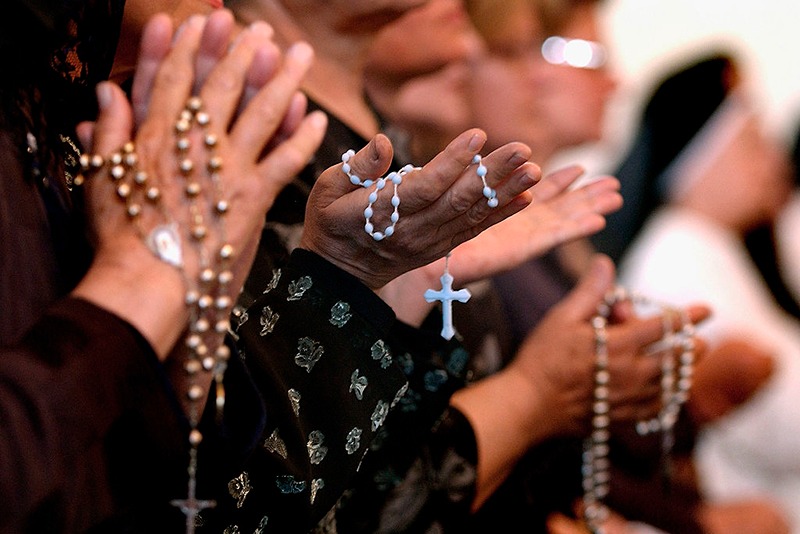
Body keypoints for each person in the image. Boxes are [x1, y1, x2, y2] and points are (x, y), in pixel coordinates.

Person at [215, 1, 712, 533]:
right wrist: (535, 396)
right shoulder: (256, 143)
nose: (533, 78)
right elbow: (277, 487)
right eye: (512, 53)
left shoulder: (385, 142)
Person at [612, 52, 798, 533]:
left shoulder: (711, 246)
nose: (773, 164)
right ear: (706, 158)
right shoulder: (677, 253)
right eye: (752, 143)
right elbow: (781, 423)